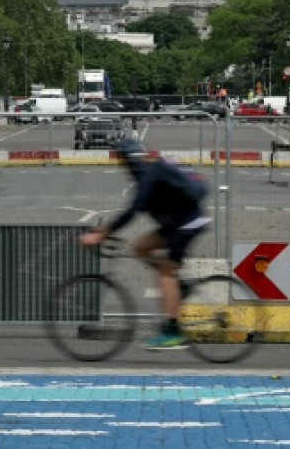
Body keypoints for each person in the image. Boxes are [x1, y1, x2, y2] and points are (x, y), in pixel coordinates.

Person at [80, 137, 210, 350]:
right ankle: (180, 285)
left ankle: (173, 332)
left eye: (121, 160)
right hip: (176, 221)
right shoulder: (150, 167)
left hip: (188, 222)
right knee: (139, 247)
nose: (121, 166)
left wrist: (102, 234)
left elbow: (134, 208)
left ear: (128, 160)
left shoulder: (147, 172)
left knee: (165, 272)